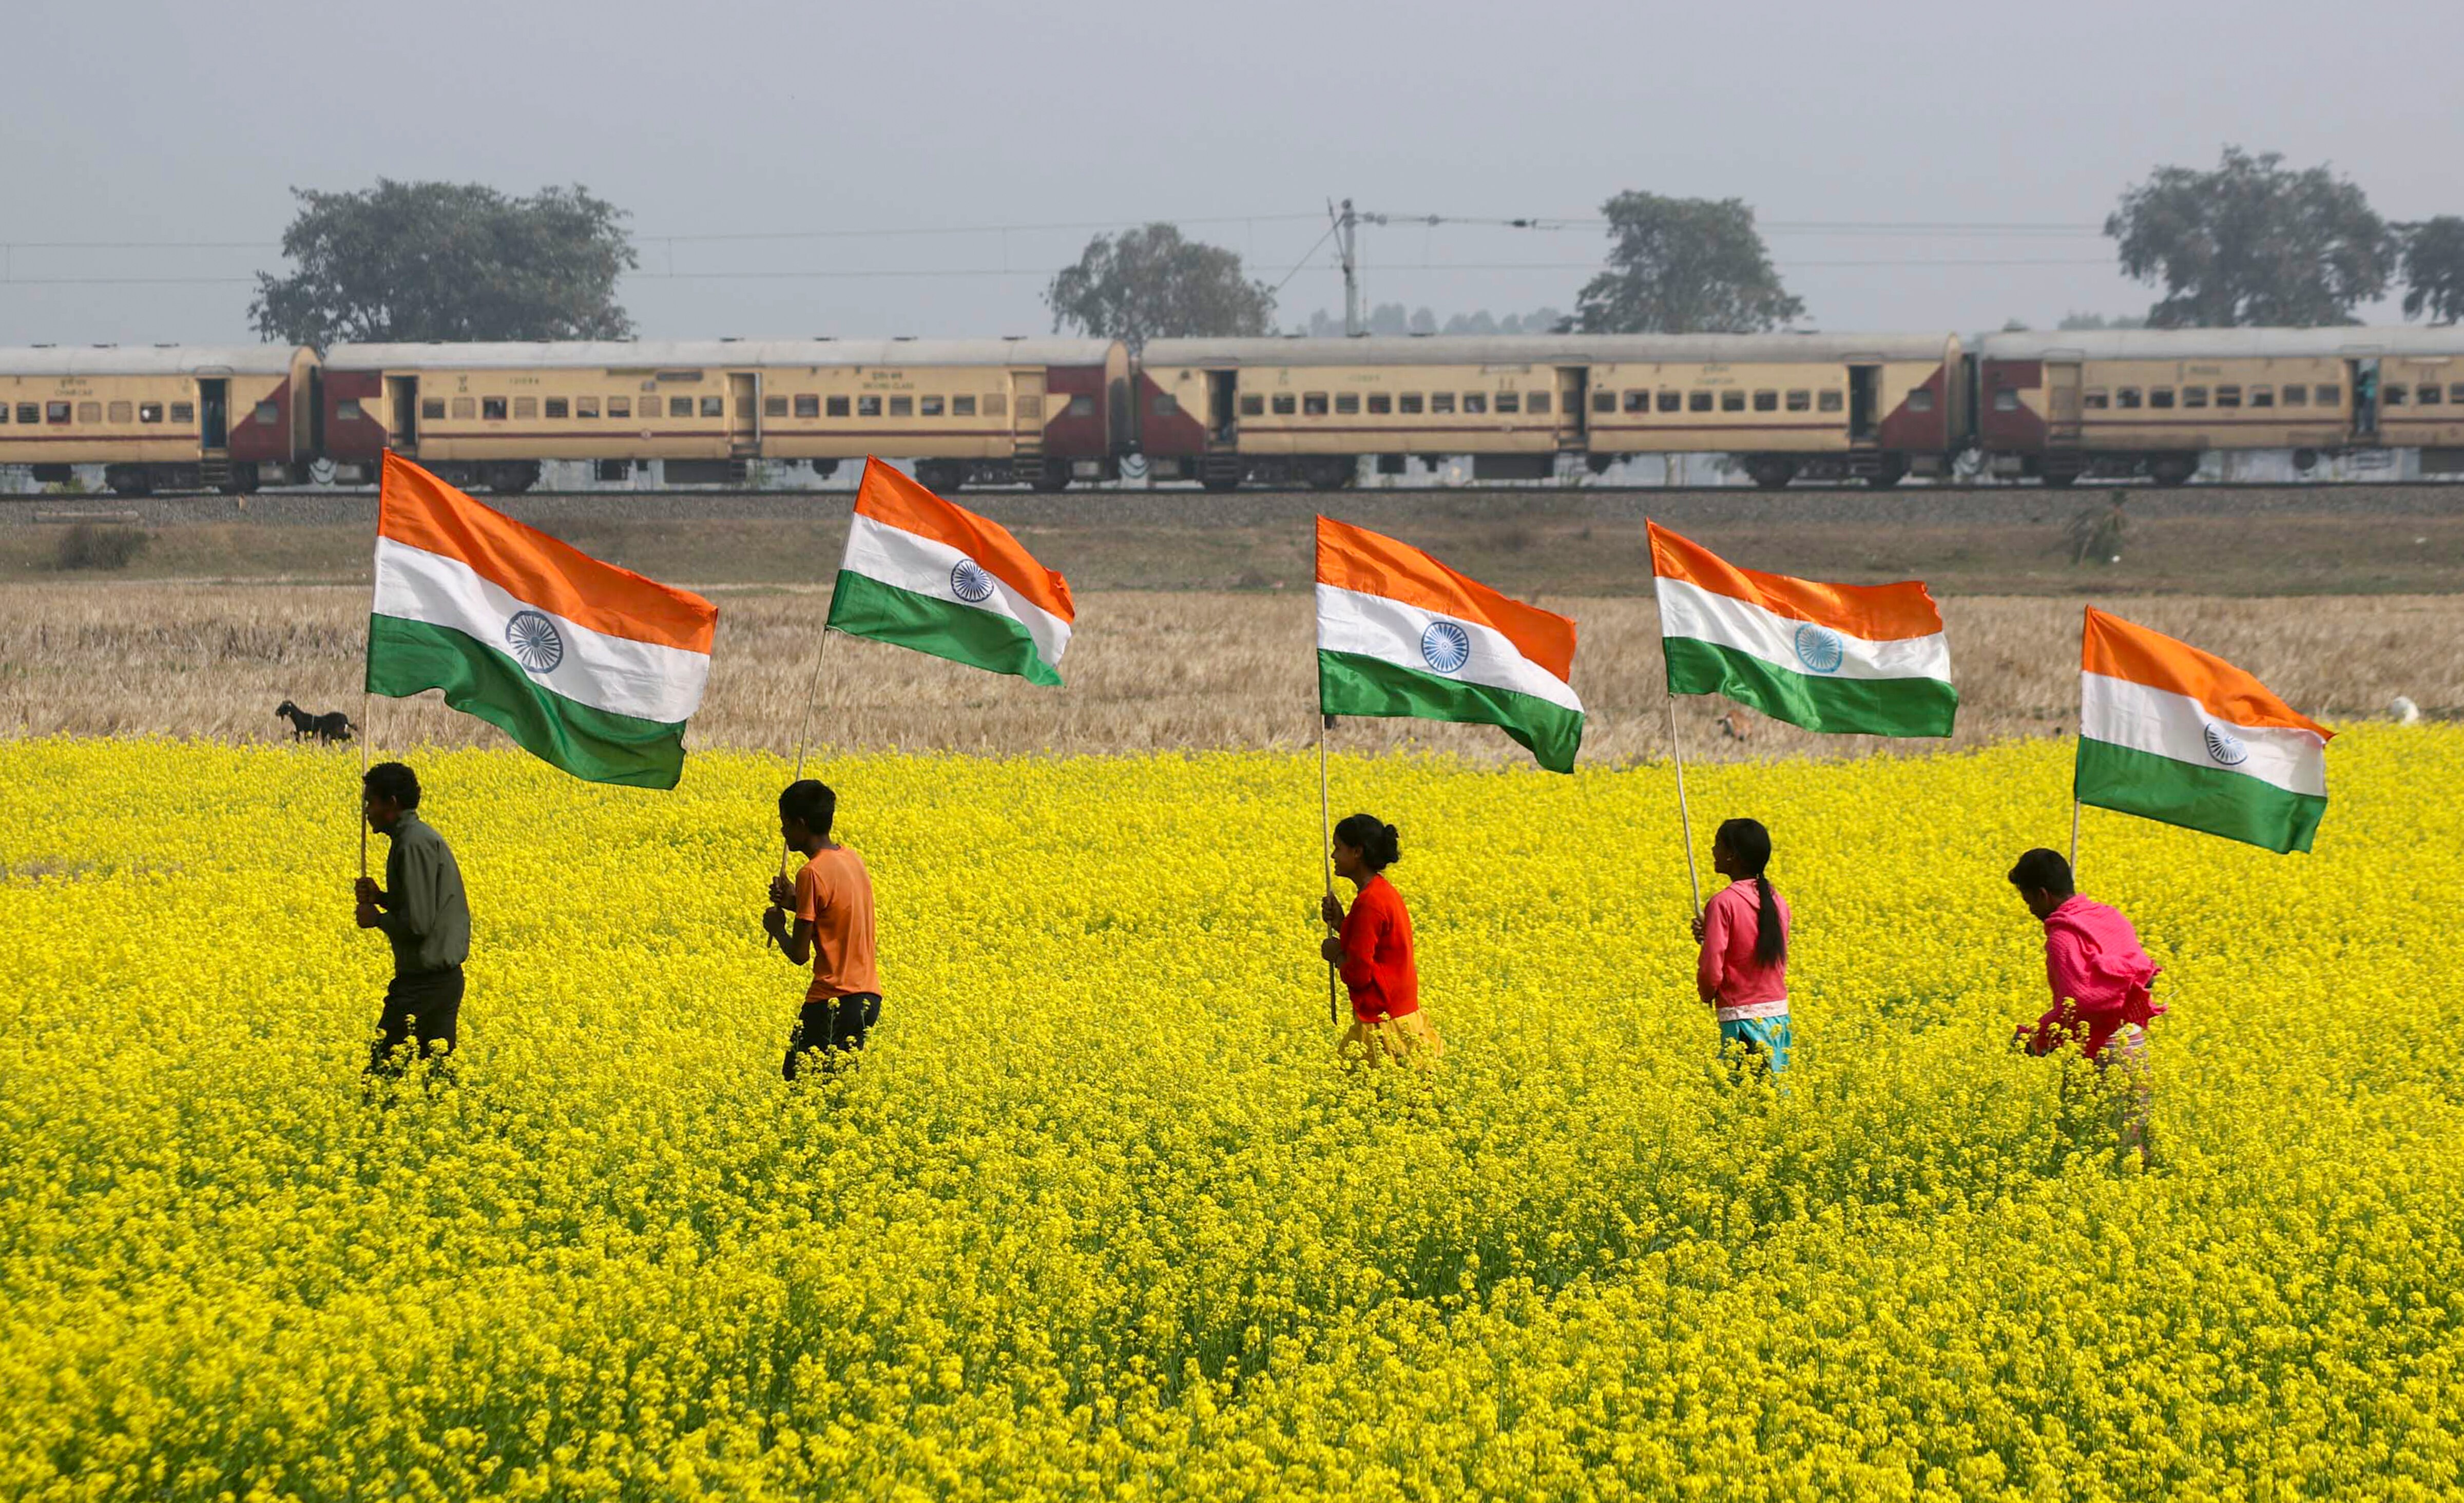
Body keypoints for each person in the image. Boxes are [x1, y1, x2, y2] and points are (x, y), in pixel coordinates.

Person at [2007, 848, 2163, 1164]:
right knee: (2131, 1140)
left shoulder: (2064, 937)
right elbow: (2142, 975)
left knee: (2083, 1143)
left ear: (2043, 894)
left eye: (2029, 901)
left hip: (2099, 1051)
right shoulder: (2109, 917)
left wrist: (2036, 1038)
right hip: (2133, 1043)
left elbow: (2078, 1003)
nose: (2030, 910)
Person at [355, 761, 471, 1077]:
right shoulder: (414, 838)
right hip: (441, 979)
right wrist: (381, 898)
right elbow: (420, 907)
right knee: (439, 1082)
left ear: (391, 804)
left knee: (381, 1080)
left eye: (371, 802)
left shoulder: (411, 843)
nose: (367, 811)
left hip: (424, 985)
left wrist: (376, 919)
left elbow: (418, 924)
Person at [763, 779, 880, 1080]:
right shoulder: (851, 859)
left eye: (785, 823)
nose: (782, 831)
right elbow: (833, 910)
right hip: (866, 998)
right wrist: (794, 902)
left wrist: (777, 929)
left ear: (800, 824)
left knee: (798, 1084)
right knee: (833, 1094)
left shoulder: (811, 872)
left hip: (834, 1000)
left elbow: (800, 954)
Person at [1320, 813, 1442, 1068]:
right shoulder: (1380, 892)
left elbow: (1359, 974)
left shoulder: (1370, 903)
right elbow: (1377, 947)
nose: (1333, 856)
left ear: (1357, 852)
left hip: (1385, 1026)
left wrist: (1335, 955)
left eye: (1338, 848)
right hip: (1400, 1017)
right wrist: (1343, 924)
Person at [1690, 818, 1791, 1076]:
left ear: (1732, 856)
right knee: (1773, 1094)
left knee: (1749, 1096)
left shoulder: (1723, 903)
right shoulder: (1777, 900)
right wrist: (1709, 932)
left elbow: (1712, 966)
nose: (1713, 851)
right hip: (1778, 1016)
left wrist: (1707, 992)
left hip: (1742, 1018)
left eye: (1718, 845)